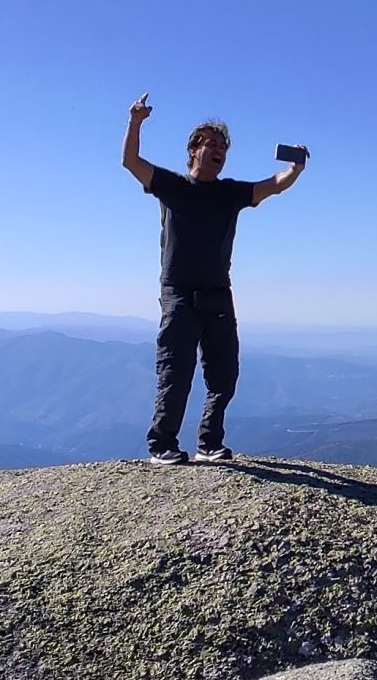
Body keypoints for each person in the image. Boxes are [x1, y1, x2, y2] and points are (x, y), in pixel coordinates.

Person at [122, 93, 306, 463]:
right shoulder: (173, 186)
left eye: (222, 146)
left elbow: (274, 184)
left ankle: (209, 443)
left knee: (224, 374)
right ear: (193, 150)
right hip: (179, 292)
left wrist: (296, 168)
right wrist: (136, 122)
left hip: (219, 292)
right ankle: (162, 445)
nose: (219, 149)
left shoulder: (230, 193)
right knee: (176, 371)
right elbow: (131, 162)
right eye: (211, 143)